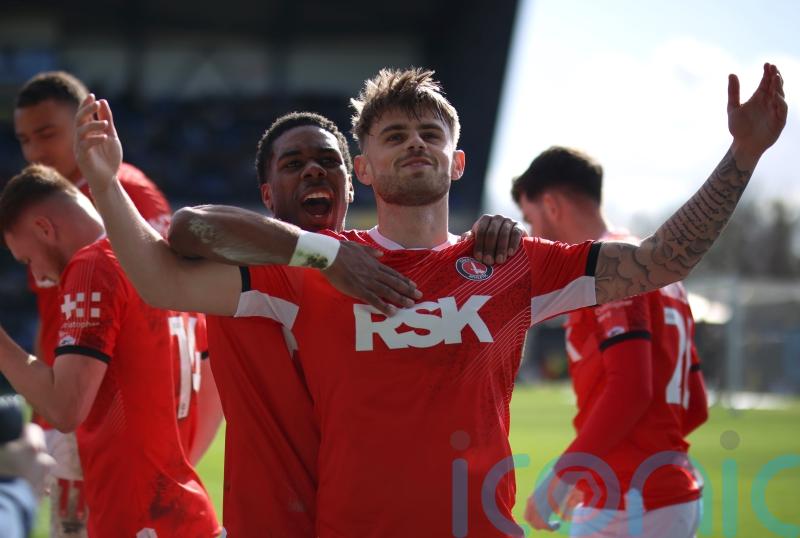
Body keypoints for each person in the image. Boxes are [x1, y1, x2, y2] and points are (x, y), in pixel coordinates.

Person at [75, 63, 785, 536]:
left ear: (458, 160)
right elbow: (160, 277)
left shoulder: (514, 263)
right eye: (393, 135)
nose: (414, 144)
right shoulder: (315, 270)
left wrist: (743, 156)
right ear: (364, 166)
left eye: (430, 134)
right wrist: (107, 185)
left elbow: (661, 261)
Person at [174, 110, 525, 536]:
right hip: (267, 523)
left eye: (328, 160)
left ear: (352, 184)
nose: (313, 170)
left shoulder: (381, 271)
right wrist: (319, 253)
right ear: (267, 195)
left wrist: (495, 234)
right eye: (292, 164)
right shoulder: (244, 265)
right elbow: (188, 226)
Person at [12, 71, 222, 535]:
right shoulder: (47, 206)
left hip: (115, 424)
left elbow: (167, 313)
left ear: (86, 120)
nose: (35, 152)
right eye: (24, 139)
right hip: (75, 409)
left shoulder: (124, 196)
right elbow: (56, 325)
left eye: (47, 134)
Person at [512, 146, 709, 537]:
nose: (531, 233)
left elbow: (632, 388)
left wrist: (564, 476)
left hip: (628, 503)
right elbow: (696, 405)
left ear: (551, 205)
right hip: (666, 495)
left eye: (529, 218)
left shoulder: (608, 272)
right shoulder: (653, 268)